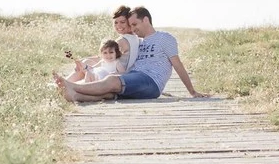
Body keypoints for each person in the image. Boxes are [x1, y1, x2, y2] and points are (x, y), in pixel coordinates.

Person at [54, 6, 208, 102]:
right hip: (135, 77)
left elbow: (177, 64)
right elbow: (111, 57)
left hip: (150, 80)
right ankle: (74, 95)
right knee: (109, 93)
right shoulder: (138, 42)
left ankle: (71, 86)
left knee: (112, 80)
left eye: (135, 24)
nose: (132, 28)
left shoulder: (165, 38)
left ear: (146, 20)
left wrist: (192, 91)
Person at [64, 5, 140, 83]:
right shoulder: (135, 38)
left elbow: (105, 57)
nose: (118, 26)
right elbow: (103, 56)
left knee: (86, 62)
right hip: (119, 71)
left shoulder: (122, 41)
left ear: (129, 22)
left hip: (114, 73)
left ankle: (65, 83)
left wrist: (81, 61)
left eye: (122, 22)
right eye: (116, 22)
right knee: (87, 62)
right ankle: (67, 83)